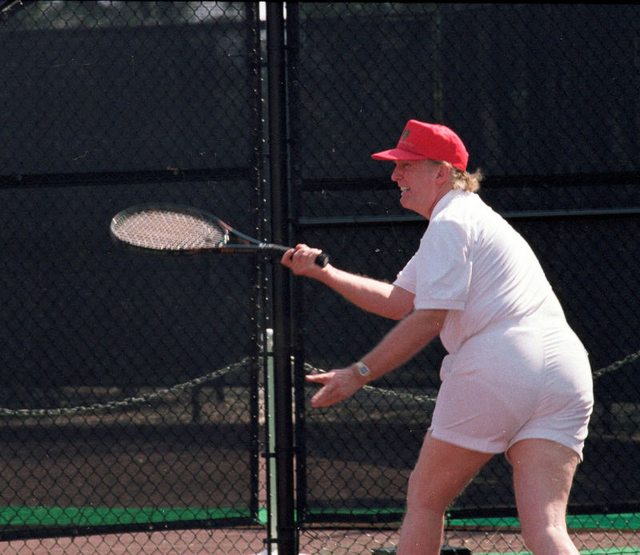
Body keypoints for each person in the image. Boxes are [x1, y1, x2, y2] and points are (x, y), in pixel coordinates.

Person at [280, 119, 593, 555]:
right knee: (547, 527)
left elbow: (428, 319)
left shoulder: (450, 222)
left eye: (407, 165)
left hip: (501, 360)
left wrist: (358, 373)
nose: (395, 175)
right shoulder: (469, 219)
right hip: (566, 370)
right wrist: (324, 272)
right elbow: (398, 301)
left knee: (425, 500)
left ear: (442, 173)